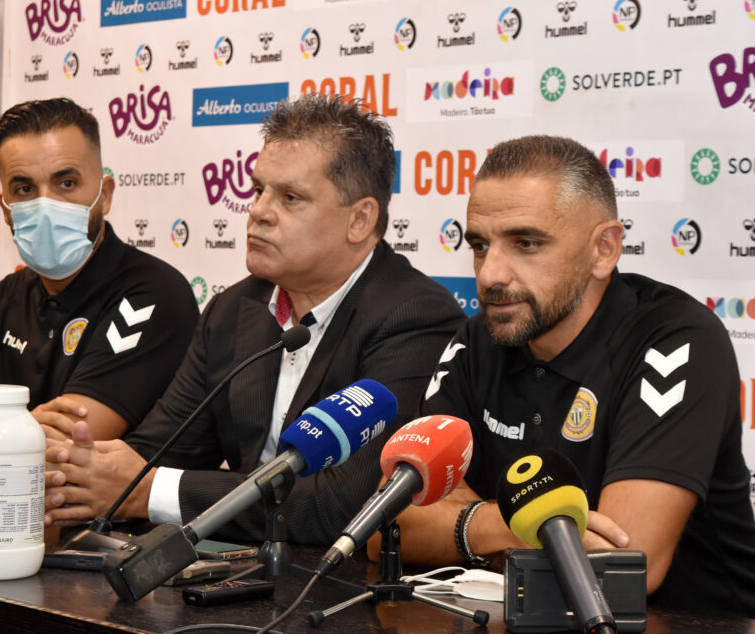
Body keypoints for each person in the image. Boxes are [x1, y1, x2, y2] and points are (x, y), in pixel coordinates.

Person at [43, 94, 466, 544]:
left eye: (290, 197)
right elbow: (158, 450)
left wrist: (148, 491)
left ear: (359, 220)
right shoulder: (234, 311)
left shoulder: (415, 318)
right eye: (258, 189)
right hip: (239, 577)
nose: (259, 211)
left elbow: (347, 504)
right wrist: (81, 471)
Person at [379, 135, 755, 615]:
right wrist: (511, 525)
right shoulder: (477, 340)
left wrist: (460, 523)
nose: (491, 274)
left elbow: (623, 565)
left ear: (604, 249)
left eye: (526, 243)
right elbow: (389, 527)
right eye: (479, 245)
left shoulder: (676, 339)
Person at [0, 98, 197, 440]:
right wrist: (29, 423)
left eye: (66, 184)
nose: (46, 205)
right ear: (5, 208)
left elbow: (70, 439)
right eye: (24, 189)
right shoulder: (5, 296)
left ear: (104, 194)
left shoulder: (153, 293)